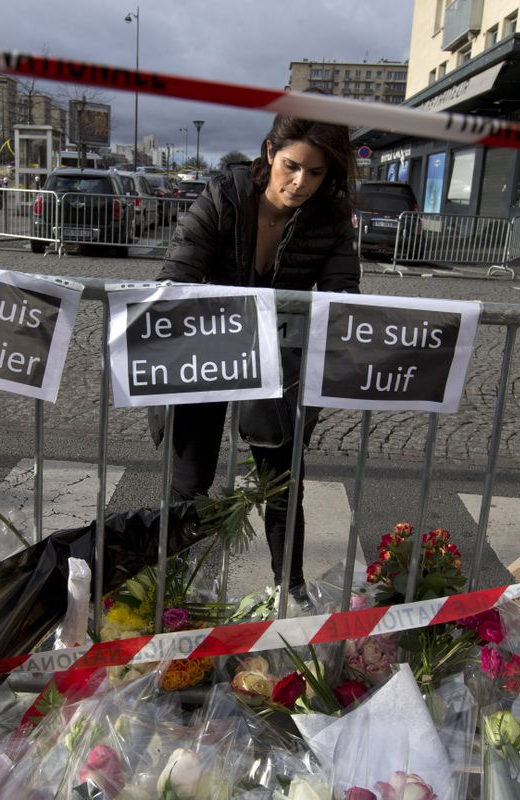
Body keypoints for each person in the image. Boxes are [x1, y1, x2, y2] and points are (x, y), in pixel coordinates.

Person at [152, 112, 359, 608]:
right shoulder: (224, 195)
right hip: (207, 353)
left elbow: (342, 297)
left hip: (278, 361)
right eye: (292, 166)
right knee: (189, 483)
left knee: (282, 484)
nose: (301, 182)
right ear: (270, 152)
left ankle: (291, 591)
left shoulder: (331, 215)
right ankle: (174, 589)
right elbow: (177, 275)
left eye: (316, 172)